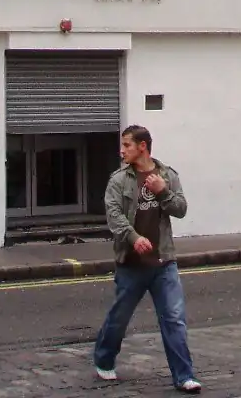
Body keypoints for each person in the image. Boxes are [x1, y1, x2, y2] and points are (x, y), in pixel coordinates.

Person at [94, 125, 201, 393]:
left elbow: (181, 209)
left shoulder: (167, 175)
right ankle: (104, 359)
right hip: (131, 264)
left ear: (142, 146)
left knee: (174, 319)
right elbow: (114, 216)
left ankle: (184, 376)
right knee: (119, 318)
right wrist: (133, 238)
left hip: (164, 262)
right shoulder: (119, 180)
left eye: (127, 145)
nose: (122, 150)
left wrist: (163, 191)